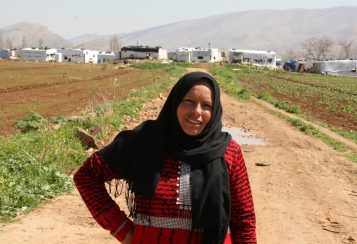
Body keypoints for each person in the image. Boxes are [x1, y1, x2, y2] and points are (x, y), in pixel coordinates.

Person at [74, 71, 256, 244]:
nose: (197, 111)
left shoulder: (228, 151)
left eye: (206, 105)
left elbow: (244, 219)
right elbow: (86, 176)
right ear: (175, 102)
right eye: (189, 101)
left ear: (215, 110)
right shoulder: (144, 141)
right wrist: (123, 230)